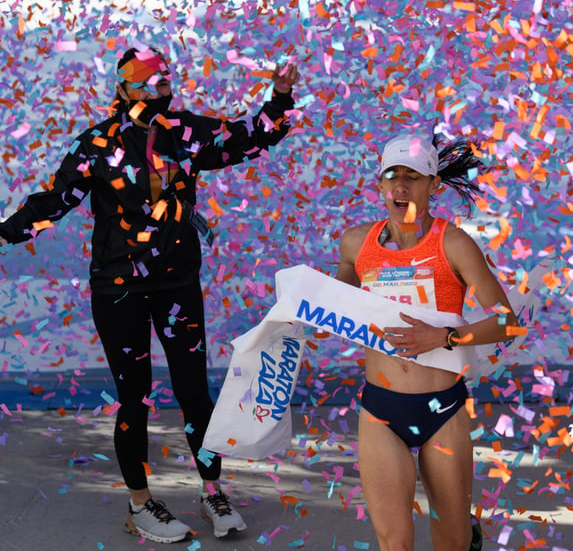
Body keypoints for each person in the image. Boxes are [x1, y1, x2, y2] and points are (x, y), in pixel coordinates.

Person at [0, 46, 300, 543]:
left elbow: (248, 138)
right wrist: (5, 232)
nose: (163, 92)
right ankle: (140, 504)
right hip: (119, 288)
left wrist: (281, 95)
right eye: (151, 84)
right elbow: (55, 200)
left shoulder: (186, 132)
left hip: (177, 284)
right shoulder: (97, 144)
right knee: (134, 398)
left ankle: (211, 492)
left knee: (194, 393)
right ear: (125, 89)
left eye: (166, 83)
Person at [335, 134, 517, 551]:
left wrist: (445, 337)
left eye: (413, 177)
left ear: (434, 185)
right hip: (380, 410)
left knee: (450, 541)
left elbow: (507, 324)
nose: (401, 187)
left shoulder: (452, 243)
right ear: (379, 184)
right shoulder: (355, 244)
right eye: (392, 176)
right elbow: (333, 310)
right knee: (394, 543)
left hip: (442, 409)